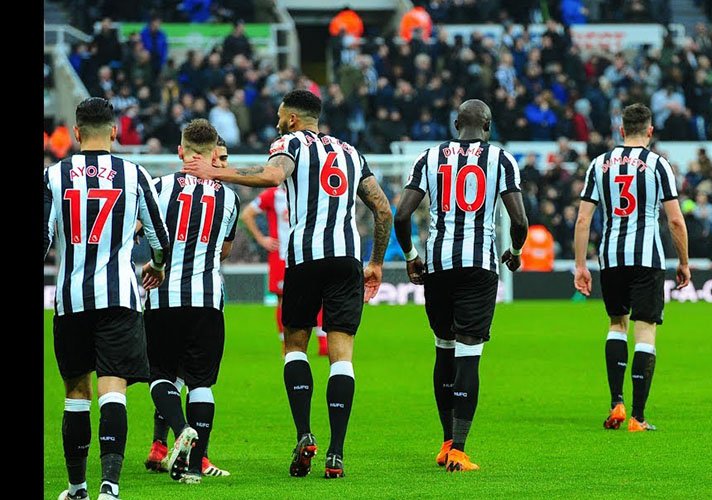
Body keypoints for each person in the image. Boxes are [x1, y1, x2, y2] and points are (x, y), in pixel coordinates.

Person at [182, 89, 392, 479]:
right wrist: (376, 262)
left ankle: (303, 434)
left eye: (281, 115)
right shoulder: (350, 151)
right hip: (346, 259)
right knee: (342, 354)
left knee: (295, 345)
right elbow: (382, 208)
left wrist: (216, 172)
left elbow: (272, 175)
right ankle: (336, 453)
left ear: (292, 118)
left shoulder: (289, 142)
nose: (278, 121)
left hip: (304, 259)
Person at [44, 97, 171, 500]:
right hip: (118, 298)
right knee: (112, 389)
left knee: (76, 392)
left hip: (71, 300)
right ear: (114, 132)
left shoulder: (54, 176)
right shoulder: (133, 175)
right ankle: (110, 487)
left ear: (77, 134)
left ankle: (77, 486)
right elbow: (160, 238)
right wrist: (158, 264)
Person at [393, 99, 528, 472]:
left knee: (443, 349)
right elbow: (519, 220)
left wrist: (410, 255)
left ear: (456, 124)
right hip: (479, 267)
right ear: (488, 126)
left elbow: (402, 214)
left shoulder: (428, 157)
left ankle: (446, 442)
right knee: (469, 354)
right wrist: (515, 251)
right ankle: (460, 450)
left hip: (437, 264)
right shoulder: (501, 159)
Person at [573, 103, 692, 433]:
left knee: (616, 324)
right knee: (645, 329)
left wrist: (580, 265)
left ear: (621, 130)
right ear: (650, 132)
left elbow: (583, 219)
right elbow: (676, 221)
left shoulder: (599, 164)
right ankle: (638, 417)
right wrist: (683, 262)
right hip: (646, 259)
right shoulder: (657, 165)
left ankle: (616, 402)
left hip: (611, 258)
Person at [138, 120, 241, 484]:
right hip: (208, 300)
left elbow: (136, 232)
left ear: (180, 151)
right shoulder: (230, 197)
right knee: (201, 383)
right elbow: (225, 250)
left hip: (163, 297)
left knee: (159, 374)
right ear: (214, 154)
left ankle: (179, 429)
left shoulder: (157, 188)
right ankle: (196, 463)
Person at [240, 181, 328, 356]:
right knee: (283, 299)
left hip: (308, 252)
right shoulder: (272, 195)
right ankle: (285, 344)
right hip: (282, 255)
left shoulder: (309, 190)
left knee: (318, 296)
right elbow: (246, 214)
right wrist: (261, 239)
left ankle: (323, 343)